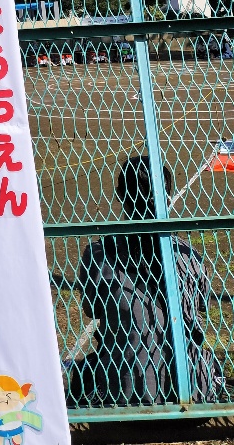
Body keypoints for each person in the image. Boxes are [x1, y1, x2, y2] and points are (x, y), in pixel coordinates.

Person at [68, 155, 225, 407]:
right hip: (196, 392)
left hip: (124, 395)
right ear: (169, 195)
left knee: (85, 369)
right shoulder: (187, 255)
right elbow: (201, 303)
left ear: (120, 194)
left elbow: (91, 308)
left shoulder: (98, 254)